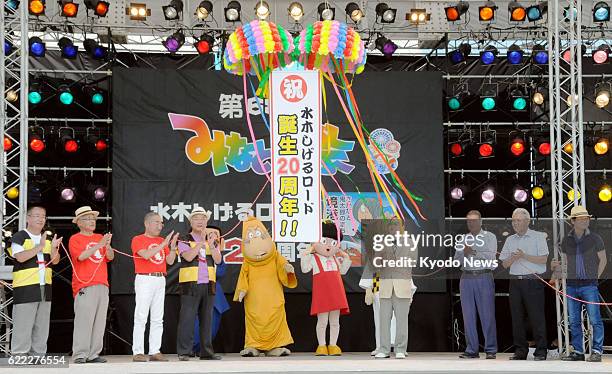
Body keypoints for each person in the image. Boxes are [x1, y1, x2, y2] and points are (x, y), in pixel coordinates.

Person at [554, 206, 606, 362]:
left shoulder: (595, 238)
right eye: (581, 218)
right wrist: (556, 269)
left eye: (586, 218)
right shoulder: (566, 240)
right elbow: (564, 262)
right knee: (574, 320)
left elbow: (603, 260)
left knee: (595, 319)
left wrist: (595, 278)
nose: (585, 220)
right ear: (573, 221)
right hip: (571, 285)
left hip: (589, 285)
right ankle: (578, 351)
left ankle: (596, 351)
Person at [9, 206, 61, 356]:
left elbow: (55, 261)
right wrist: (40, 247)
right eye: (37, 215)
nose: (40, 219)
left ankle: (38, 355)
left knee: (42, 324)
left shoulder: (49, 238)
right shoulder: (19, 236)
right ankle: (19, 354)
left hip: (45, 285)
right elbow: (20, 257)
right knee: (24, 322)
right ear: (28, 218)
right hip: (25, 286)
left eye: (43, 216)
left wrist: (53, 249)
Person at [499, 208, 548, 361]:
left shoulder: (538, 237)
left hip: (532, 281)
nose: (515, 223)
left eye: (518, 220)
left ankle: (541, 351)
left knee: (536, 317)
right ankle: (520, 350)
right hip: (515, 282)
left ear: (527, 221)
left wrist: (523, 256)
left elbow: (543, 260)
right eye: (513, 220)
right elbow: (504, 264)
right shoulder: (510, 240)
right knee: (516, 317)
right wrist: (513, 259)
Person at [363, 220, 417, 359]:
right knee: (383, 319)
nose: (393, 229)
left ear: (402, 228)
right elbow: (375, 263)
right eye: (391, 227)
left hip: (402, 284)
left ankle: (400, 349)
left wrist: (396, 261)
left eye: (396, 227)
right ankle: (384, 349)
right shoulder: (382, 242)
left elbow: (413, 261)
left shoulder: (410, 242)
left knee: (401, 319)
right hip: (385, 285)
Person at [68, 206, 114, 364]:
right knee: (84, 320)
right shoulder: (76, 238)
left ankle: (94, 354)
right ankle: (80, 354)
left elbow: (110, 257)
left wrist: (107, 246)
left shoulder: (99, 237)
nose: (92, 221)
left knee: (99, 321)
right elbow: (81, 257)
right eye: (87, 219)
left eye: (93, 219)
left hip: (102, 283)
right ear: (79, 222)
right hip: (85, 285)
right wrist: (99, 244)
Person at [131, 212, 179, 362]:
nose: (160, 226)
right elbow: (145, 255)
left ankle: (155, 351)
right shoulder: (138, 239)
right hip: (145, 278)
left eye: (162, 223)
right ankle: (138, 351)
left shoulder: (160, 240)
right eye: (157, 222)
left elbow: (170, 261)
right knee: (141, 316)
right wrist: (163, 244)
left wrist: (171, 248)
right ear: (147, 223)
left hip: (160, 279)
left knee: (158, 318)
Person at [176, 207, 222, 361]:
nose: (200, 221)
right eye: (196, 218)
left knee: (207, 319)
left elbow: (218, 260)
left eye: (203, 218)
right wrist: (201, 243)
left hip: (209, 283)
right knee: (187, 318)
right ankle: (184, 352)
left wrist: (212, 244)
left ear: (207, 221)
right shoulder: (183, 238)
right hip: (190, 283)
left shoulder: (212, 238)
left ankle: (207, 352)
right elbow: (188, 257)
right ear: (191, 221)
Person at [300, 222, 351, 356]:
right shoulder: (314, 258)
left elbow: (343, 271)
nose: (328, 245)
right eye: (324, 241)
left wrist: (346, 257)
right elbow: (304, 269)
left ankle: (333, 345)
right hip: (322, 294)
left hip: (336, 293)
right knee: (322, 322)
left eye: (333, 242)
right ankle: (322, 345)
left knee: (335, 321)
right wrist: (306, 253)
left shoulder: (335, 258)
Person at [453, 210, 498, 359]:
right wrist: (462, 253)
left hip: (483, 276)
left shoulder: (489, 237)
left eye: (474, 220)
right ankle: (472, 349)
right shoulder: (462, 238)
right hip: (466, 278)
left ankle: (490, 349)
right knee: (468, 315)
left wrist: (473, 251)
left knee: (487, 314)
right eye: (468, 221)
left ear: (480, 221)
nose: (471, 223)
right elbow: (456, 261)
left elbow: (491, 257)